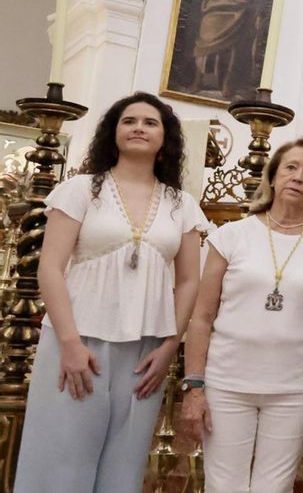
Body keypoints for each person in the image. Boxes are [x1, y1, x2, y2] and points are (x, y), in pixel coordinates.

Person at [15, 93, 206, 493]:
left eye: (150, 122)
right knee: (62, 460)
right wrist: (68, 343)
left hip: (146, 349)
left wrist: (171, 346)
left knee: (125, 464)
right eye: (128, 121)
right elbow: (50, 266)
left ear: (165, 137)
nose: (138, 127)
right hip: (78, 340)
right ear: (113, 132)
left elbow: (189, 280)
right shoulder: (82, 189)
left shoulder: (181, 204)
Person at [180, 138, 303, 492]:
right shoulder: (232, 236)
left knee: (275, 486)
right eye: (290, 167)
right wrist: (194, 385)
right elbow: (202, 316)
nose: (298, 177)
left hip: (295, 387)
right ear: (272, 176)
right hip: (228, 381)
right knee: (224, 485)